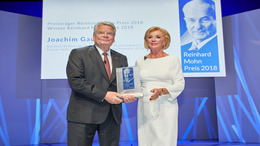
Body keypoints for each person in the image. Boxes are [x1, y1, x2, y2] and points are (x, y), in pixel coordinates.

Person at [66, 21, 136, 146]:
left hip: (111, 115)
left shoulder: (121, 58)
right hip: (84, 115)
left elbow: (122, 85)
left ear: (113, 39)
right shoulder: (78, 53)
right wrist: (105, 95)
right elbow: (76, 81)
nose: (105, 35)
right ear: (94, 36)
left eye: (109, 33)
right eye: (101, 32)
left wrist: (126, 96)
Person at [135, 26, 185, 146]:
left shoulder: (172, 60)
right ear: (146, 41)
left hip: (166, 104)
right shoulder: (140, 61)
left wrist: (162, 90)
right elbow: (135, 85)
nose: (153, 39)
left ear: (165, 41)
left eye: (158, 37)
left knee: (165, 139)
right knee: (146, 138)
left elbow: (180, 84)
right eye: (150, 37)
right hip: (145, 104)